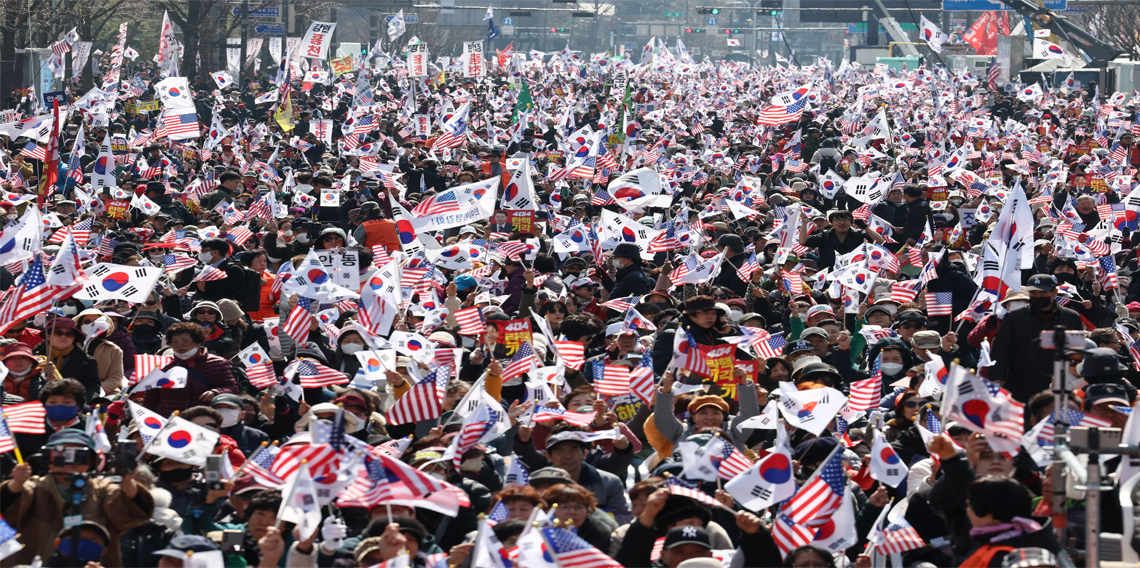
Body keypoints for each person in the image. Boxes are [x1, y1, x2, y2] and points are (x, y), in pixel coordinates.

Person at [1, 429, 155, 567]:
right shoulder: (34, 486)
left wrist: (128, 481)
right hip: (33, 561)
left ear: (91, 461)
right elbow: (7, 509)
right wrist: (16, 483)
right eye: (62, 453)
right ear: (48, 458)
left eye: (79, 454)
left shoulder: (102, 488)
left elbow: (133, 512)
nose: (70, 460)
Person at [989, 274, 1084, 402]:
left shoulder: (1071, 318)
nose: (1038, 296)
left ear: (1054, 292)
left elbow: (1077, 351)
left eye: (1043, 293)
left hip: (1058, 384)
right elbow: (1000, 350)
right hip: (1021, 382)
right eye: (1033, 293)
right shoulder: (1014, 317)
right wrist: (998, 377)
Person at [143, 322, 239, 415]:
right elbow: (151, 397)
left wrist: (216, 392)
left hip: (205, 418)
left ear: (198, 342)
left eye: (185, 341)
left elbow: (233, 387)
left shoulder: (218, 363)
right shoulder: (161, 365)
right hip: (170, 419)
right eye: (175, 342)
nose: (180, 345)